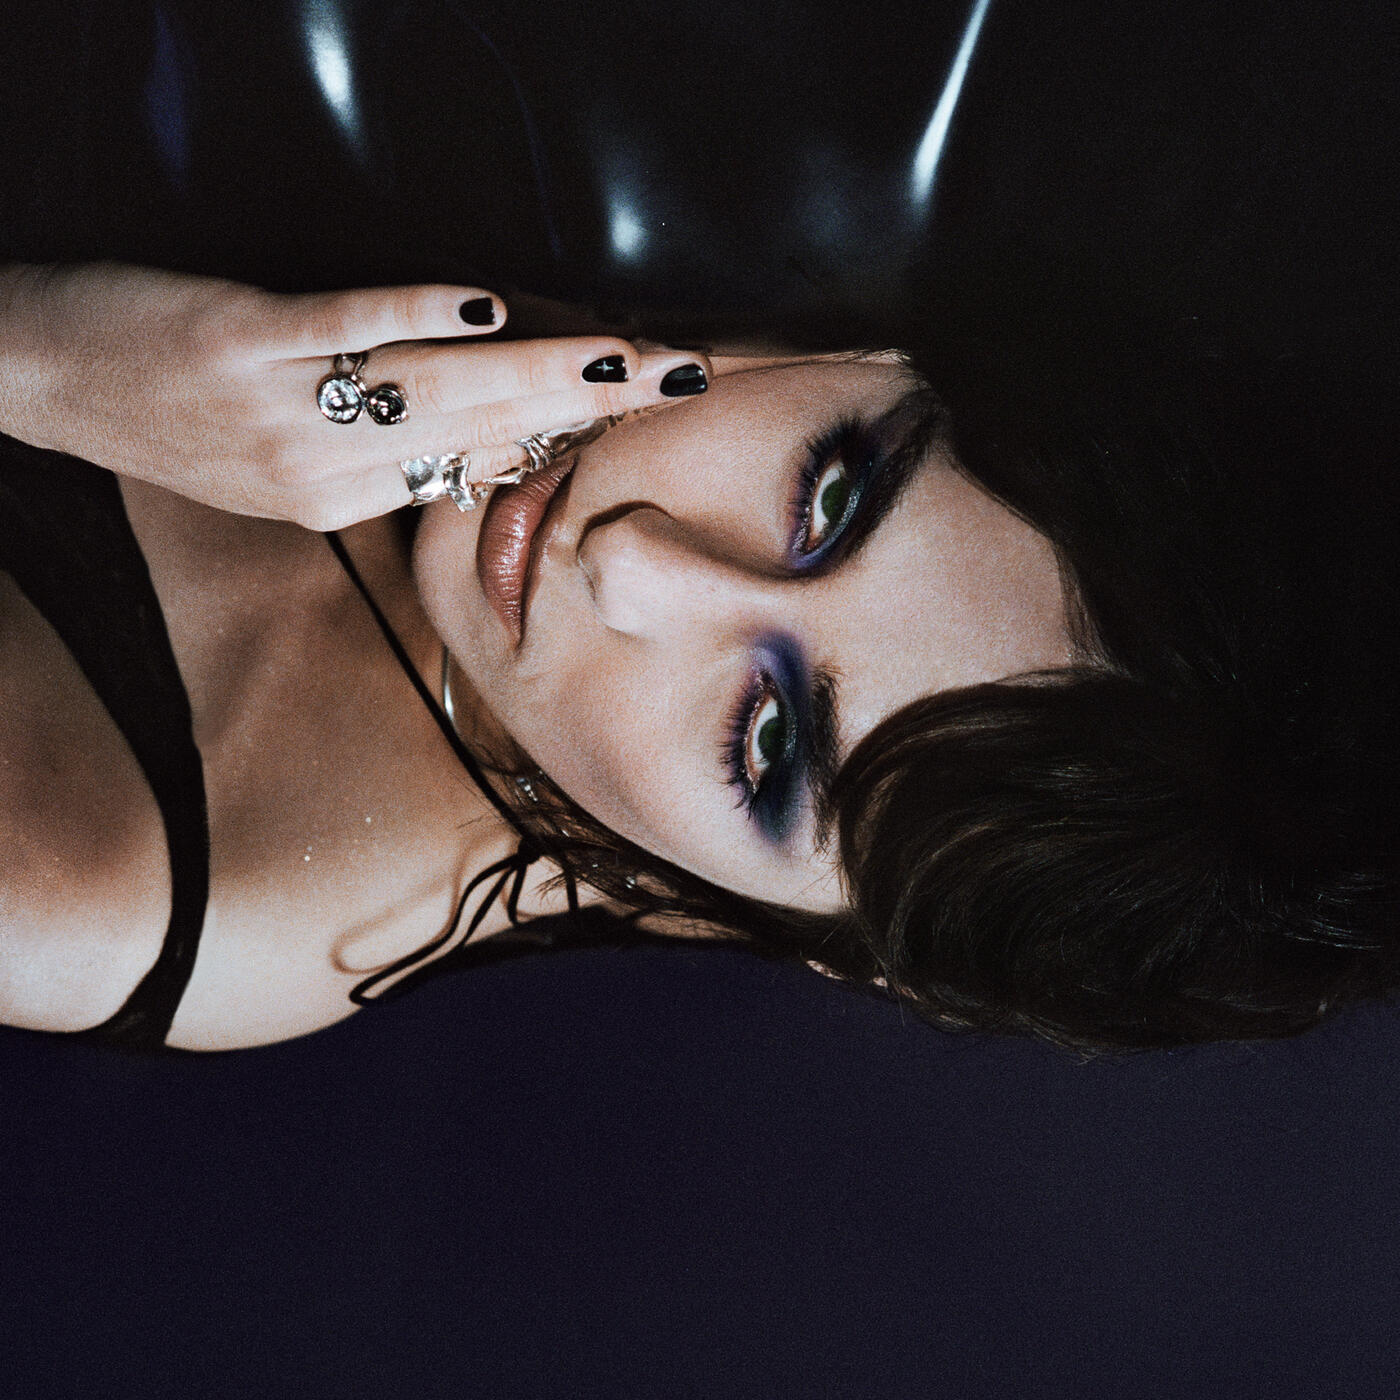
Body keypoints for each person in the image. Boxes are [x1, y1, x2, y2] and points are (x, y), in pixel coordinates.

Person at [2, 253, 1397, 1056]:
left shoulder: (81, 883)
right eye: (830, 495)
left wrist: (44, 355)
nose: (634, 563)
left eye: (766, 744)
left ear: (790, 935)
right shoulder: (690, 205)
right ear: (887, 359)